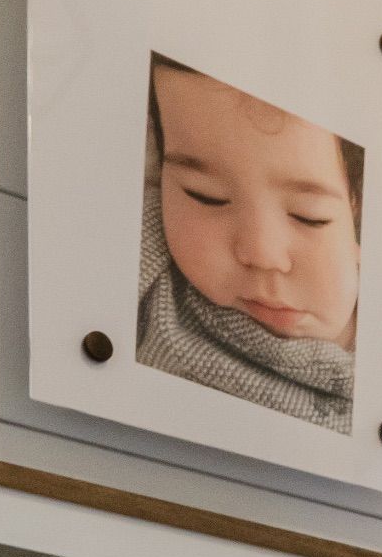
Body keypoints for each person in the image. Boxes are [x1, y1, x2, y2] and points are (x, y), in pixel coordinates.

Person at [135, 56, 365, 433]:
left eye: (309, 216)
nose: (262, 254)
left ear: (360, 219)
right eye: (206, 196)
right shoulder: (149, 270)